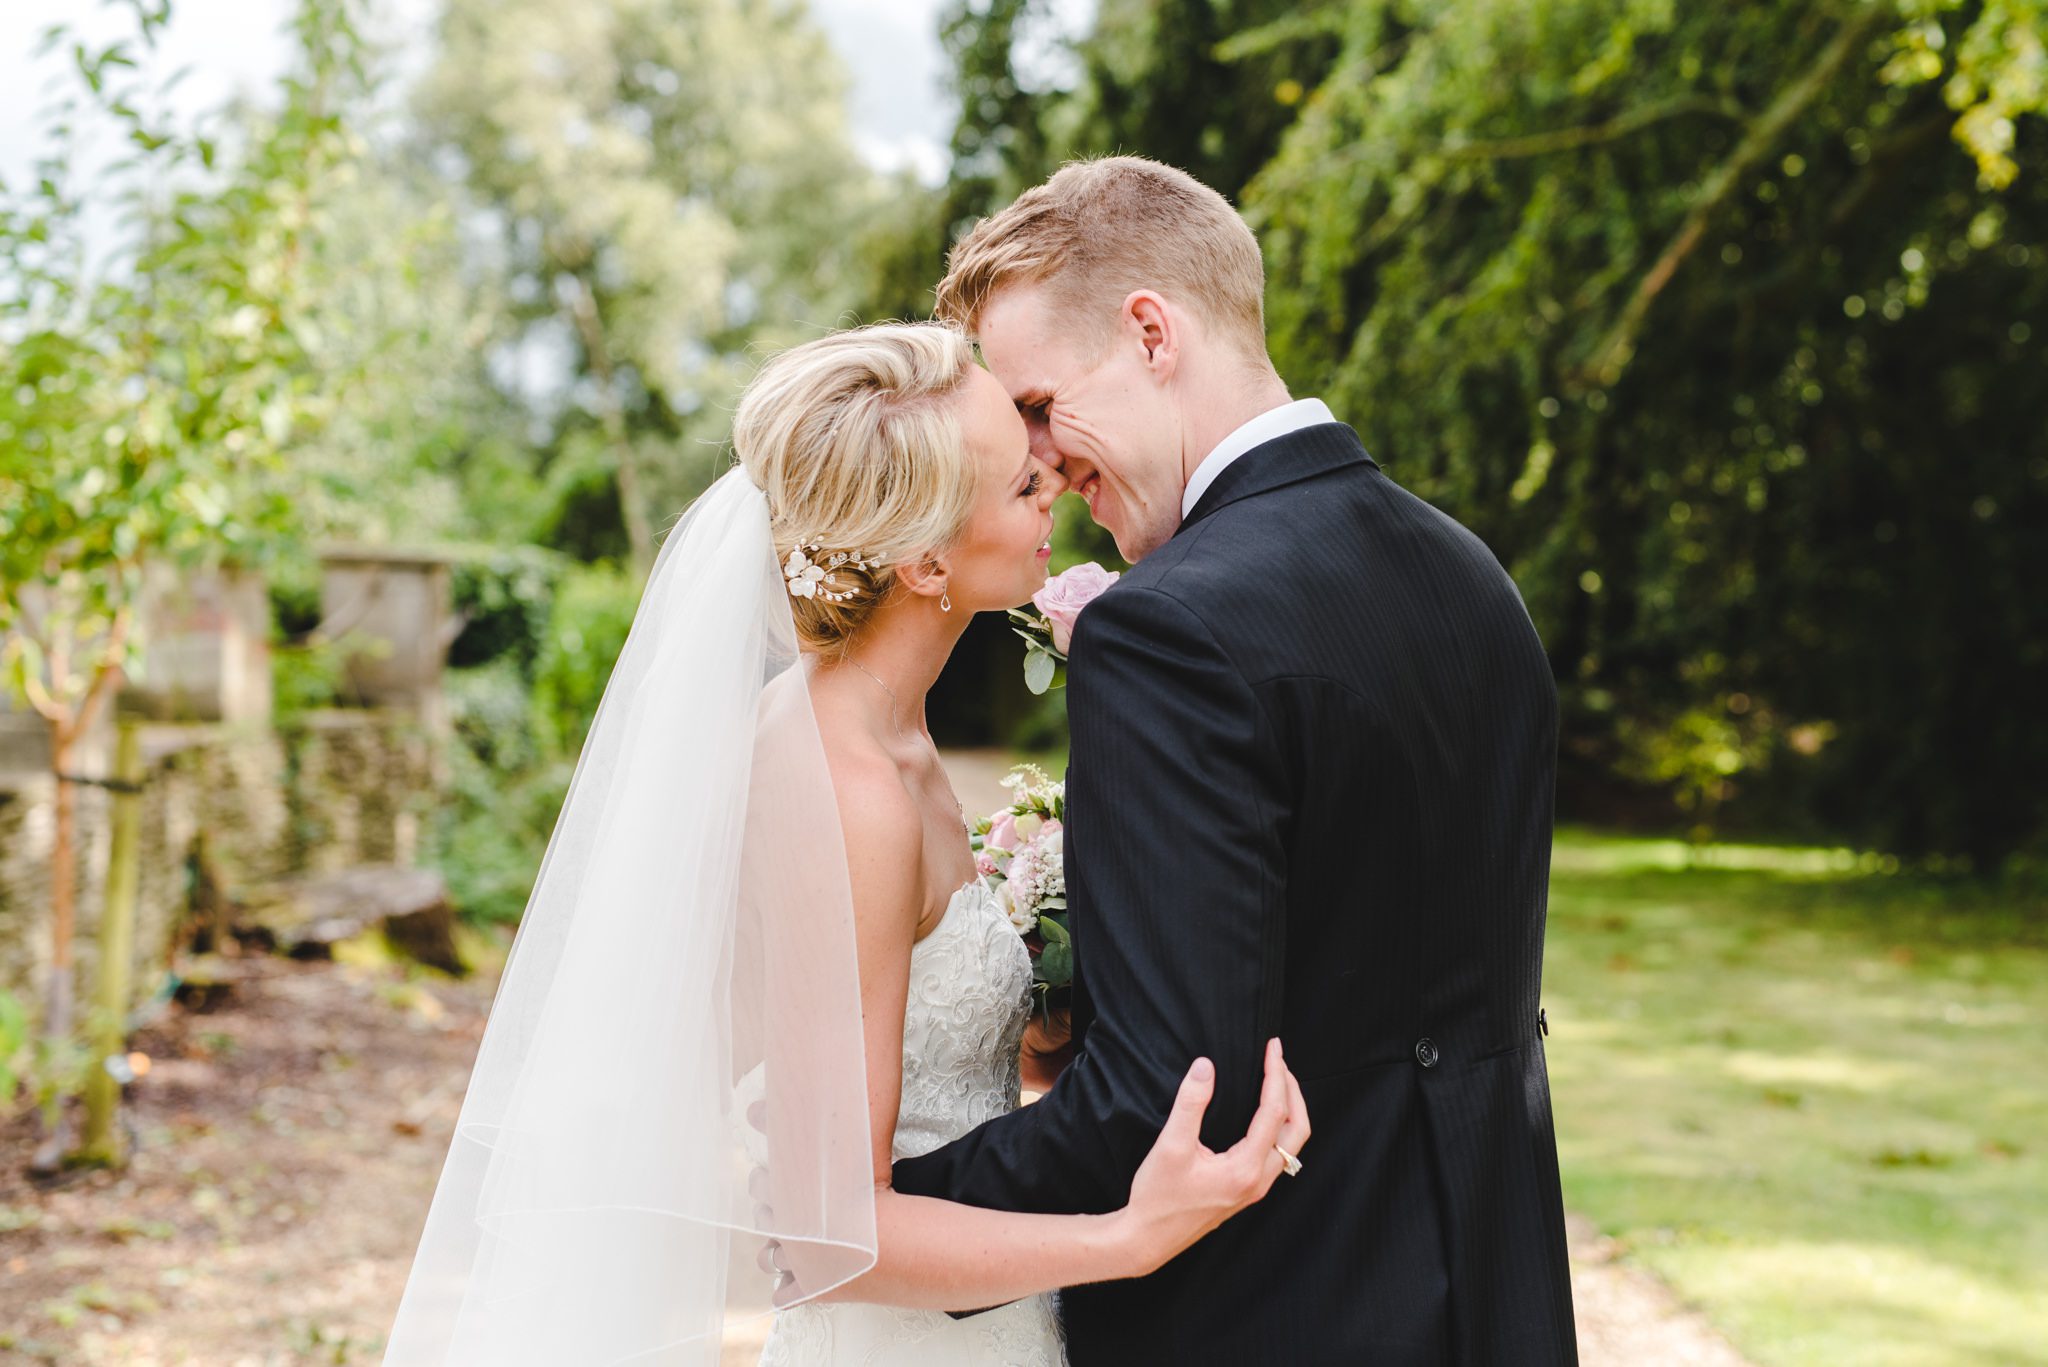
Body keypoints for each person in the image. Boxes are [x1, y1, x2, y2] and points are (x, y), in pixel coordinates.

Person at [383, 322, 1308, 1367]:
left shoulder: (888, 731)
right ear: (921, 562)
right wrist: (1130, 1236)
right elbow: (834, 1239)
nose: (1049, 475)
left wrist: (1045, 1016)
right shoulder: (844, 782)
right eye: (1015, 484)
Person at [886, 156, 1580, 1365]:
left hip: (1265, 1318)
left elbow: (1162, 1108)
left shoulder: (1166, 627)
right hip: (1494, 1302)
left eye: (1041, 406)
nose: (1039, 463)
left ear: (1150, 330)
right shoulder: (1471, 576)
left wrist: (871, 1217)